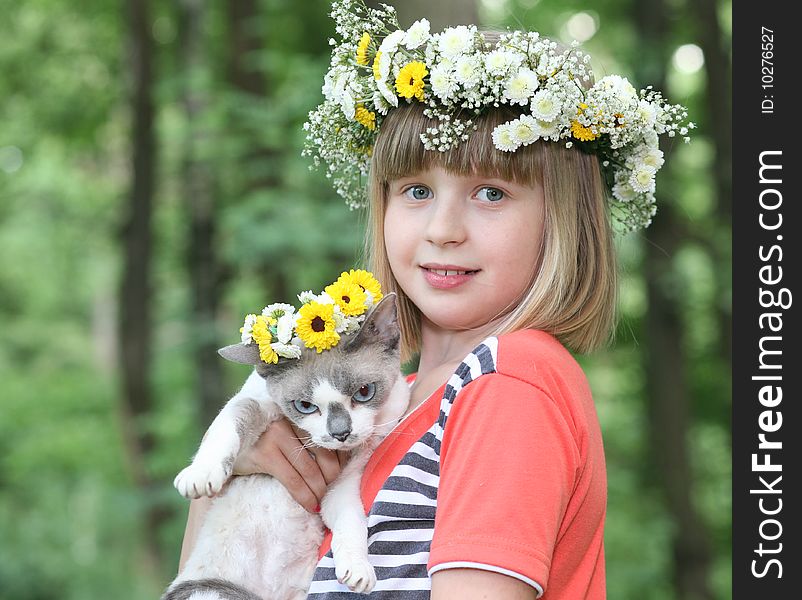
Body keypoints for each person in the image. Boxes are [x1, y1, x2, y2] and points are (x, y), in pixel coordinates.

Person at [178, 1, 692, 598]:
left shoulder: (508, 381)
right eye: (417, 190)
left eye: (491, 194)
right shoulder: (388, 401)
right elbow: (201, 580)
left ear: (561, 222)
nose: (443, 229)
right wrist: (237, 463)